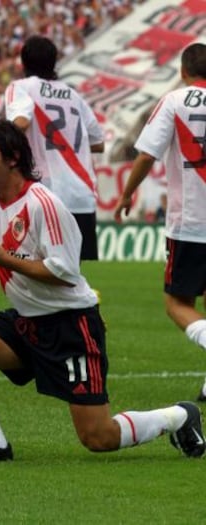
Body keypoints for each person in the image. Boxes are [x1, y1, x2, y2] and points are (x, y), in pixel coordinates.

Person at [0, 62, 206, 463]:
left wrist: (1, 257)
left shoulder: (46, 205)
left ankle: (180, 415)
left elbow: (64, 274)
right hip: (27, 322)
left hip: (71, 326)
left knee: (98, 437)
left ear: (12, 158)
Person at [114, 42, 206, 402]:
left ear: (183, 72)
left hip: (191, 223)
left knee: (177, 304)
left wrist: (126, 194)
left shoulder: (174, 101)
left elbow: (147, 154)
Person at [4, 35, 104, 261]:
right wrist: (66, 148)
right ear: (54, 62)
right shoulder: (73, 95)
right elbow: (98, 143)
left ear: (24, 63)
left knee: (37, 269)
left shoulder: (20, 88)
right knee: (77, 277)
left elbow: (20, 122)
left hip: (43, 194)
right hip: (81, 194)